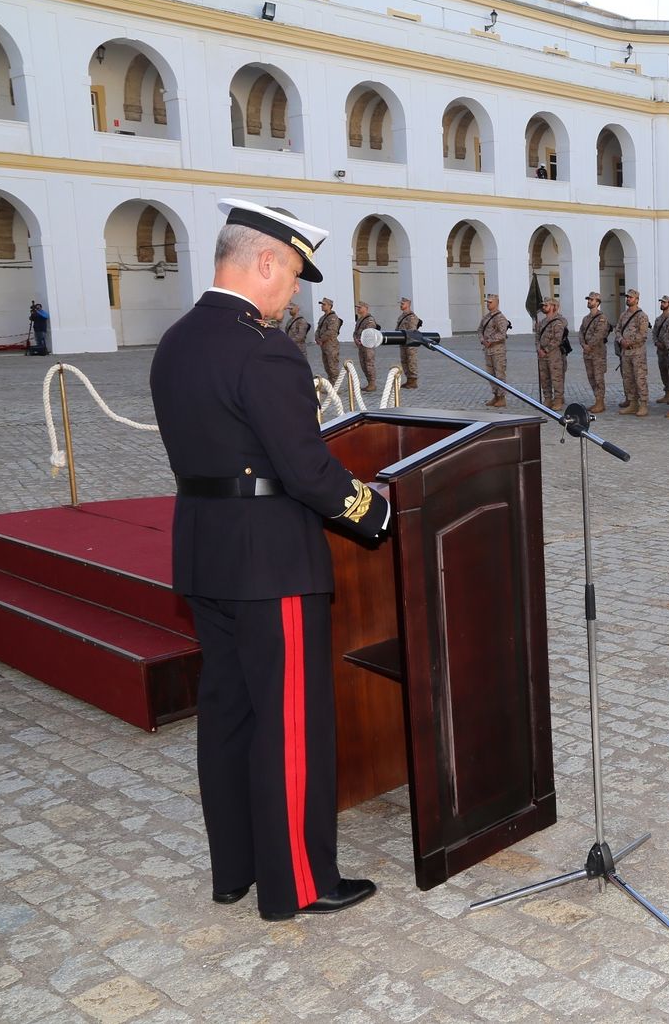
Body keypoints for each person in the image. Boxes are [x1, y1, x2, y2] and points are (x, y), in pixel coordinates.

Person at [148, 198, 389, 922]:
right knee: (289, 723)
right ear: (264, 261)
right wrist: (370, 510)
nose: (294, 292)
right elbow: (306, 468)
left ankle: (236, 870)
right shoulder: (264, 349)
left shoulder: (178, 340)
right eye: (291, 275)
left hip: (204, 553)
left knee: (226, 714)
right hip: (271, 562)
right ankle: (299, 884)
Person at [615, 287, 650, 416]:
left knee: (640, 378)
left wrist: (629, 342)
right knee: (628, 379)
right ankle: (632, 403)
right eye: (627, 297)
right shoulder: (623, 315)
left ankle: (643, 404)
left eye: (631, 297)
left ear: (637, 299)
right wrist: (620, 340)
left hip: (637, 352)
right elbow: (617, 329)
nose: (628, 299)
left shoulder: (642, 316)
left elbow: (643, 334)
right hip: (625, 353)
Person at [534, 299, 568, 410]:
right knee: (544, 377)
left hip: (554, 354)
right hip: (542, 355)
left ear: (554, 306)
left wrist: (546, 350)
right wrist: (539, 348)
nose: (544, 307)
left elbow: (557, 339)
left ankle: (558, 400)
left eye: (546, 305)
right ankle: (547, 399)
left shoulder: (558, 322)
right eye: (543, 305)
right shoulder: (542, 322)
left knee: (556, 378)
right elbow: (537, 337)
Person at [478, 293, 511, 407]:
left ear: (496, 303)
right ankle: (495, 395)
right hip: (488, 350)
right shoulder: (486, 317)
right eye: (487, 302)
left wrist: (490, 341)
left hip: (498, 350)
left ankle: (502, 397)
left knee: (499, 374)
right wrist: (482, 340)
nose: (488, 304)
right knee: (490, 374)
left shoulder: (500, 317)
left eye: (490, 302)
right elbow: (480, 329)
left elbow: (502, 334)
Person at [653, 295, 669, 407]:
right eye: (661, 302)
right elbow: (654, 333)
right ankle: (667, 392)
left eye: (664, 303)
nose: (662, 304)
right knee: (663, 372)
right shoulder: (658, 319)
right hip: (660, 351)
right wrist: (656, 342)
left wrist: (668, 345)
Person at [394, 297, 421, 389]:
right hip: (403, 342)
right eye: (400, 304)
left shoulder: (412, 317)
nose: (401, 305)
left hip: (410, 343)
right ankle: (409, 379)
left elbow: (412, 331)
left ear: (408, 304)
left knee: (411, 361)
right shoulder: (401, 316)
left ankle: (413, 381)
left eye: (402, 304)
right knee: (404, 361)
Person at [352, 301, 379, 391]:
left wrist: (361, 340)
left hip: (368, 346)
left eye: (360, 307)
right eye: (357, 307)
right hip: (361, 346)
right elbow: (356, 331)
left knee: (369, 364)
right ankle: (369, 382)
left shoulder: (369, 320)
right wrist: (356, 339)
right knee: (363, 364)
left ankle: (372, 383)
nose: (358, 309)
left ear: (366, 308)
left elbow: (369, 332)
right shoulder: (360, 319)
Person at [314, 298, 341, 382]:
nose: (322, 306)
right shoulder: (322, 318)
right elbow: (318, 329)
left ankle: (336, 386)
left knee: (333, 366)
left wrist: (321, 339)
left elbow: (331, 331)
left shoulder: (333, 317)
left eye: (324, 304)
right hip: (324, 346)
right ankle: (331, 384)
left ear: (330, 306)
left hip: (331, 346)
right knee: (327, 366)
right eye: (321, 304)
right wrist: (317, 338)